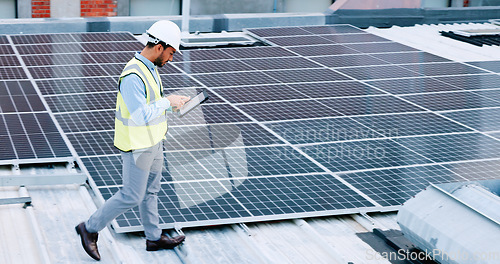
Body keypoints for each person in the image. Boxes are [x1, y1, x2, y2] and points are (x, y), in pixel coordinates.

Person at [75, 20, 189, 261]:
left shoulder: (150, 68)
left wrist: (173, 106)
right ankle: (90, 228)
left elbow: (152, 107)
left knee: (151, 192)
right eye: (170, 53)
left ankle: (154, 238)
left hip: (154, 141)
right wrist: (167, 101)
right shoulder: (132, 75)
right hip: (137, 145)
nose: (171, 59)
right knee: (131, 195)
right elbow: (139, 116)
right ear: (159, 47)